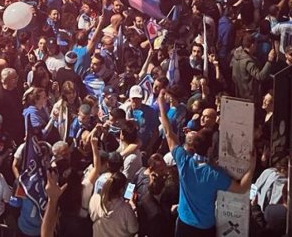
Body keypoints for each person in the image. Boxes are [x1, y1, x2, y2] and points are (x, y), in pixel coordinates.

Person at [157, 89, 254, 237]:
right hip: (204, 229)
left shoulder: (184, 161)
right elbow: (241, 188)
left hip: (184, 225)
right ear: (211, 148)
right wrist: (251, 166)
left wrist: (161, 106)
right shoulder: (215, 174)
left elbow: (169, 133)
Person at [88, 171, 139, 237]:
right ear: (121, 190)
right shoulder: (126, 209)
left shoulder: (94, 199)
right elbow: (133, 229)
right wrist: (133, 206)